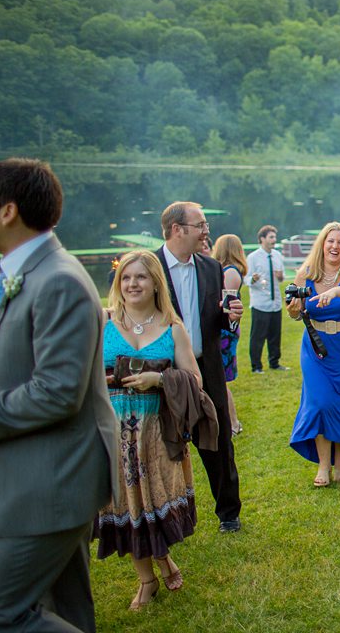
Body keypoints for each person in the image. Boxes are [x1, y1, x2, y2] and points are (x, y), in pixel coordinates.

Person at [0, 158, 120, 632]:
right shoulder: (25, 275)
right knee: (66, 609)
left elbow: (57, 392)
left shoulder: (60, 281)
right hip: (35, 476)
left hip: (53, 479)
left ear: (8, 211)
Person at [95, 251, 202, 610]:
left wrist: (159, 379)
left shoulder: (173, 327)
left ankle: (164, 558)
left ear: (155, 282)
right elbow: (83, 374)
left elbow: (195, 381)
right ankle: (146, 580)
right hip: (113, 433)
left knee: (154, 503)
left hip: (157, 433)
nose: (132, 284)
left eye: (140, 277)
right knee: (124, 505)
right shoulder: (105, 321)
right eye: (125, 278)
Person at [155, 202, 244, 533]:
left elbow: (214, 317)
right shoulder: (151, 267)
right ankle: (164, 514)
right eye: (201, 225)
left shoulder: (210, 268)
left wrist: (229, 316)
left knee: (218, 438)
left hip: (208, 367)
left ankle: (229, 513)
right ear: (178, 229)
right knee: (165, 441)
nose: (207, 231)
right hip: (164, 371)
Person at [285, 222, 340, 486]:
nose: (335, 246)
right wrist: (292, 308)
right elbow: (295, 312)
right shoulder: (307, 273)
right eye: (330, 241)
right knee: (321, 402)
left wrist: (334, 291)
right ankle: (323, 466)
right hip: (316, 347)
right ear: (322, 243)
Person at [212, 234, 247, 435]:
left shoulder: (231, 272)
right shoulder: (223, 270)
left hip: (226, 330)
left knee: (221, 379)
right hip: (222, 328)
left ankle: (233, 423)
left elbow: (228, 305)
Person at [245, 225, 287, 374]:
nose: (274, 240)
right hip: (260, 302)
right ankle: (256, 366)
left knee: (275, 335)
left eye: (275, 237)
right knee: (258, 336)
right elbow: (246, 278)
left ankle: (274, 362)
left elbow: (281, 278)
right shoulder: (253, 257)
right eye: (271, 237)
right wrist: (253, 279)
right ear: (262, 239)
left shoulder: (277, 255)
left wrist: (281, 277)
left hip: (275, 303)